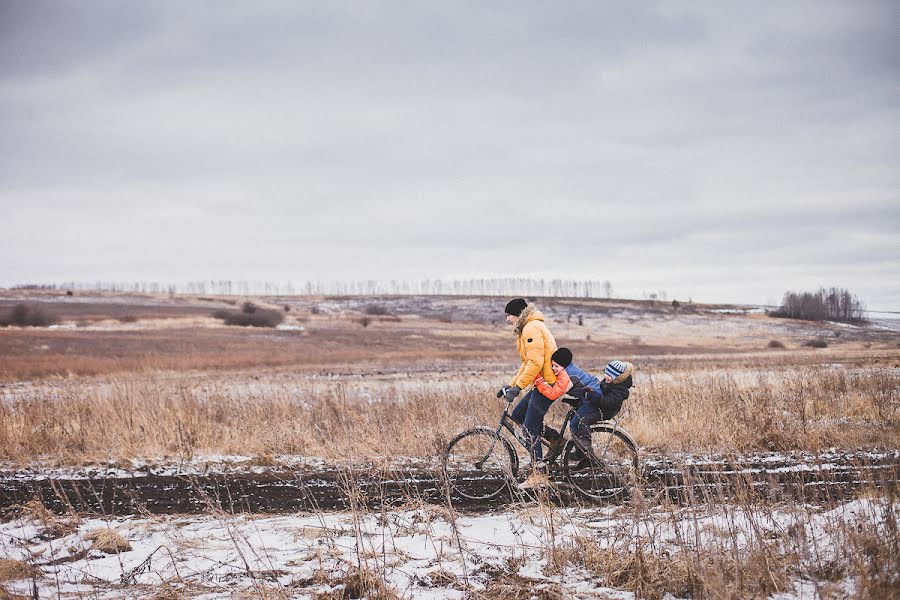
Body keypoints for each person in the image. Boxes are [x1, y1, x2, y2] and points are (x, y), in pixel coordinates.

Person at [497, 298, 558, 489]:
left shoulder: (531, 328)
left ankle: (539, 474)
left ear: (518, 314)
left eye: (509, 315)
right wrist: (512, 385)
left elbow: (535, 363)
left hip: (547, 383)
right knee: (518, 415)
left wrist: (518, 387)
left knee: (529, 428)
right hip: (541, 382)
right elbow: (526, 363)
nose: (507, 319)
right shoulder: (528, 327)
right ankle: (556, 440)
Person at [533, 348, 633, 462]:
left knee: (580, 422)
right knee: (574, 421)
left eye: (610, 375)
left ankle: (586, 454)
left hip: (606, 410)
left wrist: (595, 396)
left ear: (617, 378)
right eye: (606, 373)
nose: (606, 376)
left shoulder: (621, 389)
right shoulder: (609, 381)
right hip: (598, 404)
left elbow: (608, 401)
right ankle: (580, 451)